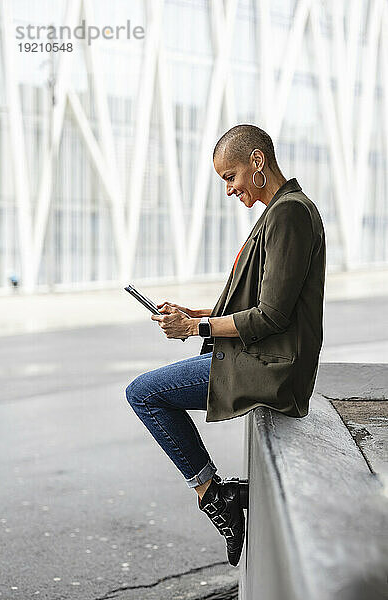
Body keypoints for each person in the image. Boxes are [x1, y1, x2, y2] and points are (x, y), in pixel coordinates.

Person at [125, 124, 326, 567]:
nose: (230, 189)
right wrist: (197, 314)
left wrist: (197, 331)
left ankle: (216, 496)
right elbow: (258, 302)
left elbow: (272, 316)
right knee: (146, 392)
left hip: (271, 364)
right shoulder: (280, 212)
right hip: (264, 356)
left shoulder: (289, 214)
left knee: (144, 394)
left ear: (257, 162)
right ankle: (220, 495)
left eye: (230, 176)